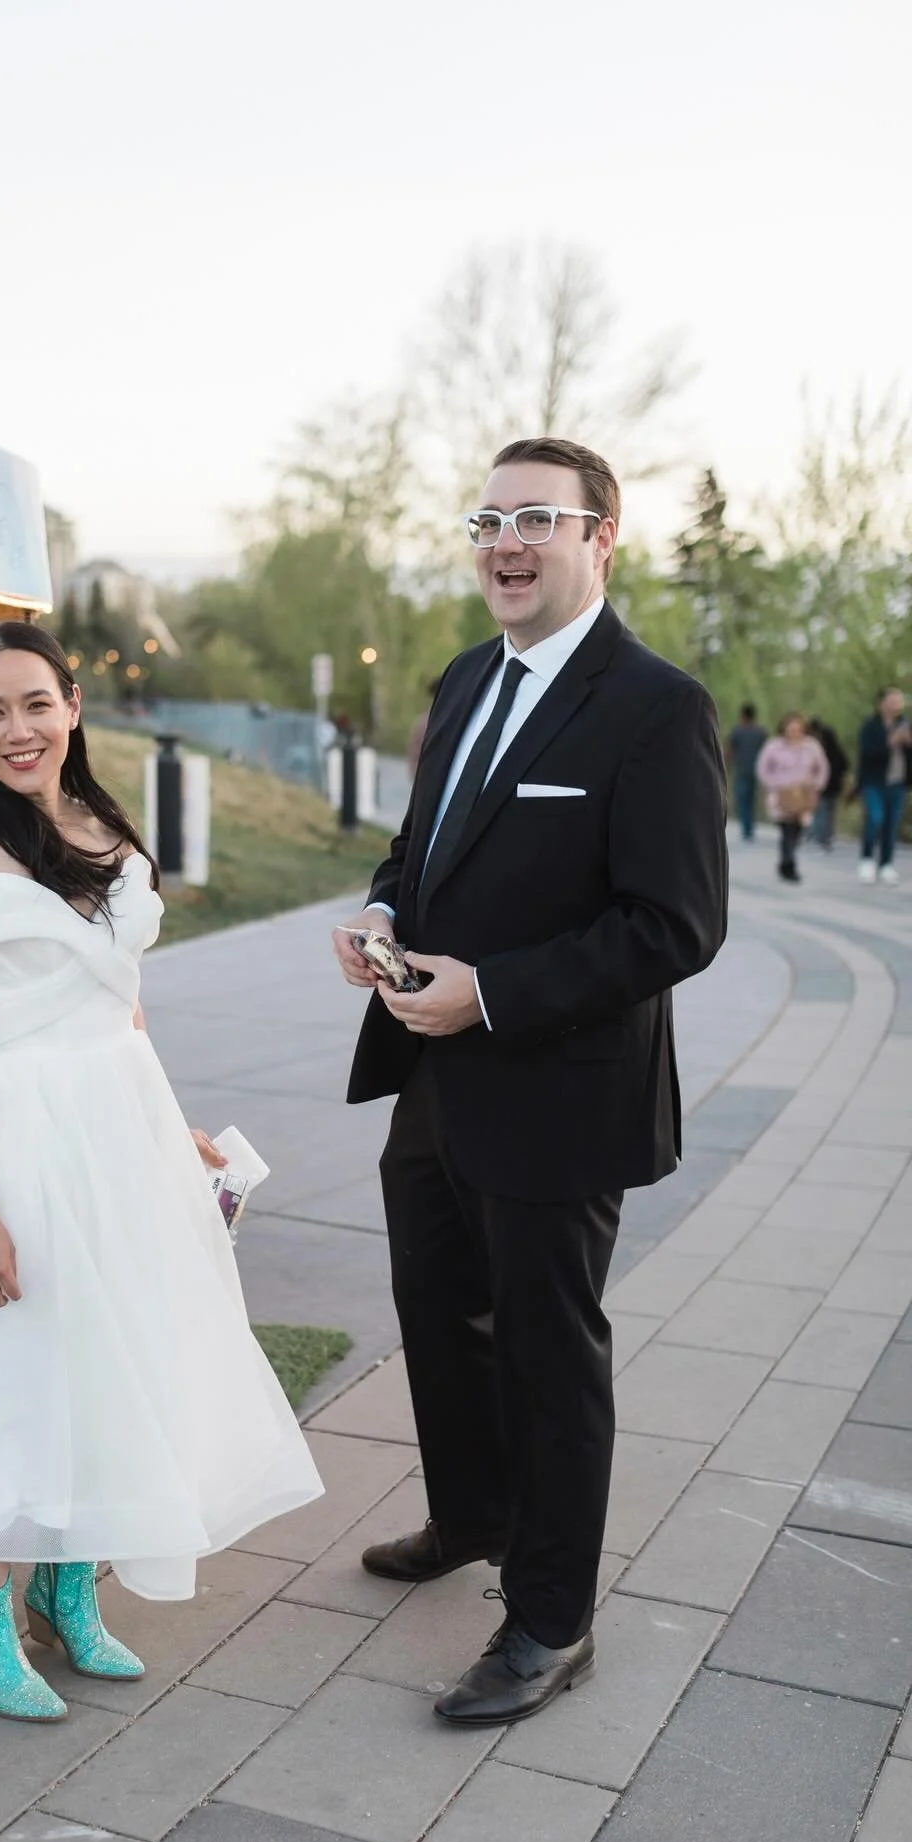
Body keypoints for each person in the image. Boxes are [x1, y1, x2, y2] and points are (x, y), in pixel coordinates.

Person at [0, 622, 322, 1722]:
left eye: (34, 704)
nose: (16, 729)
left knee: (111, 1356)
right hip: (19, 1136)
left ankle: (69, 1580)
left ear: (73, 706)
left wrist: (169, 1122)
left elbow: (121, 995)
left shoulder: (105, 828)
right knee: (9, 1373)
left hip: (118, 1124)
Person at [332, 438, 728, 1729]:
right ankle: (470, 1514)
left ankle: (552, 1621)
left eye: (537, 520)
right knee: (438, 1311)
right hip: (431, 1073)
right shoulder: (459, 680)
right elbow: (422, 845)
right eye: (488, 518)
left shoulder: (654, 706)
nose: (506, 543)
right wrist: (385, 911)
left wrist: (493, 991)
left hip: (561, 1092)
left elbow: (673, 925)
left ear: (600, 538)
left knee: (552, 1356)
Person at [756, 715, 829, 885]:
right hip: (781, 794)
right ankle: (789, 864)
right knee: (786, 829)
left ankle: (786, 861)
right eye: (791, 728)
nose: (794, 731)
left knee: (797, 830)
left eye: (797, 728)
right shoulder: (774, 746)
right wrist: (771, 784)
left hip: (804, 794)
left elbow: (823, 767)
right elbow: (762, 767)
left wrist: (817, 785)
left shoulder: (811, 746)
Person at [855, 687, 910, 884]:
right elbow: (868, 754)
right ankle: (867, 859)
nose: (897, 703)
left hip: (897, 782)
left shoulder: (906, 725)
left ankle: (886, 864)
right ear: (881, 703)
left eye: (899, 700)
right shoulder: (870, 726)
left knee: (891, 824)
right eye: (892, 699)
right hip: (873, 782)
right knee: (875, 817)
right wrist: (891, 741)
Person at [726, 703, 767, 843]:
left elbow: (729, 750)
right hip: (756, 771)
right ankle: (750, 827)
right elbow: (766, 751)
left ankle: (746, 829)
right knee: (750, 799)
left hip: (741, 770)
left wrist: (727, 766)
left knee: (742, 800)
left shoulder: (737, 731)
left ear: (743, 715)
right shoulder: (761, 732)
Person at [808, 718, 848, 850]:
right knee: (830, 812)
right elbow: (845, 767)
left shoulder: (820, 752)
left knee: (821, 811)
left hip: (822, 786)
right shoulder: (839, 752)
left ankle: (822, 837)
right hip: (835, 787)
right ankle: (827, 835)